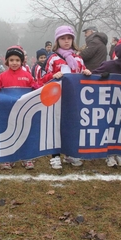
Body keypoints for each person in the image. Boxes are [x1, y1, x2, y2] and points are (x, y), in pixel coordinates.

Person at [86, 43, 121, 167]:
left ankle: (118, 152)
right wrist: (101, 77)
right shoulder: (108, 65)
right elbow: (92, 77)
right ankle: (109, 155)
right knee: (109, 128)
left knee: (120, 128)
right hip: (107, 104)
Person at [42, 25, 88, 169]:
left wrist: (86, 72)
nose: (66, 41)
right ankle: (55, 156)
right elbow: (43, 79)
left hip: (73, 99)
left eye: (69, 38)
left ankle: (70, 153)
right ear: (57, 40)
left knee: (71, 126)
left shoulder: (78, 59)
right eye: (63, 38)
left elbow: (81, 76)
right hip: (56, 99)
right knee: (55, 126)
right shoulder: (52, 59)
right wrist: (52, 76)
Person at [0, 46, 39, 170]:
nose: (14, 63)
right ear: (7, 61)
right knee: (9, 133)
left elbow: (33, 84)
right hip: (7, 111)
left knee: (25, 133)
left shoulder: (27, 75)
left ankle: (27, 157)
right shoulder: (2, 75)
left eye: (17, 60)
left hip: (24, 111)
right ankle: (9, 158)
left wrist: (34, 85)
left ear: (22, 61)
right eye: (11, 60)